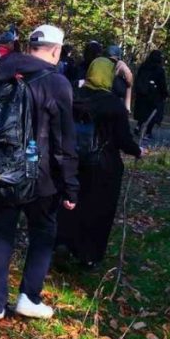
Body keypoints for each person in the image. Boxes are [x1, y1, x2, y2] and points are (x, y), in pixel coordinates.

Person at [0, 25, 78, 325]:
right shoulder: (58, 83)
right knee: (43, 235)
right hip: (41, 176)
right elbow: (65, 140)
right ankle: (29, 297)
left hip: (0, 168)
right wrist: (71, 185)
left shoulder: (3, 70)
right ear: (56, 50)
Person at [58, 57, 144, 268]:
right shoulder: (113, 105)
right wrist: (138, 151)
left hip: (72, 160)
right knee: (98, 212)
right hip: (103, 166)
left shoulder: (74, 96)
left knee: (70, 206)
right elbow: (124, 140)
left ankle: (63, 244)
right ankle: (88, 255)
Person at [132, 50, 168, 140]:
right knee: (152, 113)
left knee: (142, 111)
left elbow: (137, 78)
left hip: (141, 93)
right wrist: (165, 94)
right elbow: (162, 84)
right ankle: (148, 132)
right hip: (154, 95)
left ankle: (138, 126)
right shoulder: (159, 69)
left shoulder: (143, 66)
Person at [106, 45, 133, 112]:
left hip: (113, 94)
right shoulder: (120, 63)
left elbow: (128, 75)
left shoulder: (119, 64)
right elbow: (129, 76)